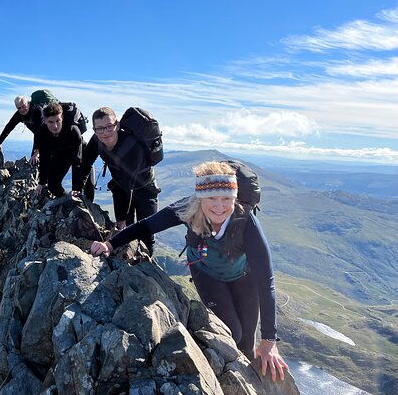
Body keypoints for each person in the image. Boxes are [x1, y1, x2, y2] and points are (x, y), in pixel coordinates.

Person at [89, 161, 289, 381]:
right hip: (207, 273)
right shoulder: (187, 209)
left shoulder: (245, 220)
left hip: (244, 277)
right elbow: (146, 226)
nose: (219, 206)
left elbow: (265, 280)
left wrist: (269, 341)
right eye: (212, 198)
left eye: (226, 199)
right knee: (233, 331)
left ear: (235, 198)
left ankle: (247, 386)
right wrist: (110, 244)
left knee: (247, 341)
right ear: (200, 198)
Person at [73, 107, 160, 254]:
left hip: (145, 189)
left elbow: (128, 186)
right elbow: (86, 163)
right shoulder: (97, 140)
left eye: (109, 127)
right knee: (129, 229)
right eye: (99, 129)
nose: (105, 133)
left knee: (146, 231)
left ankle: (146, 264)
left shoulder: (133, 147)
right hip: (121, 187)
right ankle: (130, 257)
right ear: (94, 129)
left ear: (117, 125)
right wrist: (77, 188)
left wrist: (121, 218)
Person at [35, 102, 95, 200]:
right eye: (51, 122)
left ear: (62, 118)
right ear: (45, 121)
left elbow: (77, 161)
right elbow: (44, 157)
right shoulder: (43, 131)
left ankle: (87, 207)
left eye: (58, 121)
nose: (55, 126)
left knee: (88, 190)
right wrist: (41, 182)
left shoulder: (73, 130)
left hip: (81, 153)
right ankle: (67, 200)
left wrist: (76, 188)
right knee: (53, 186)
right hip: (61, 153)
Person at [0, 95, 46, 165]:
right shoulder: (19, 115)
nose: (22, 109)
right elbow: (8, 127)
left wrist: (37, 152)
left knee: (39, 160)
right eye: (19, 108)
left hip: (49, 135)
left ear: (28, 103)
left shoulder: (37, 110)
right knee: (33, 162)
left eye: (24, 106)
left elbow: (39, 132)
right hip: (39, 136)